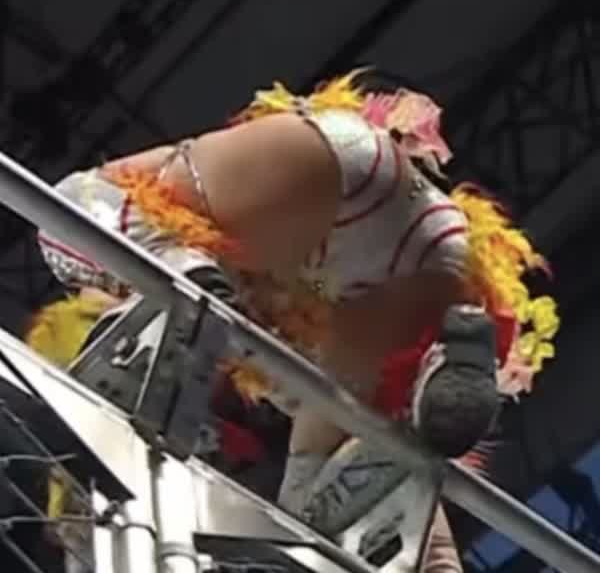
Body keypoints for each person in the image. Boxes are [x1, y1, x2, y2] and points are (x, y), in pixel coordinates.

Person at [25, 71, 559, 571]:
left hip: (327, 168)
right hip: (436, 246)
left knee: (71, 212)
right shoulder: (287, 334)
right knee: (322, 462)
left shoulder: (120, 303)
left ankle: (176, 266)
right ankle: (426, 391)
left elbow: (87, 311)